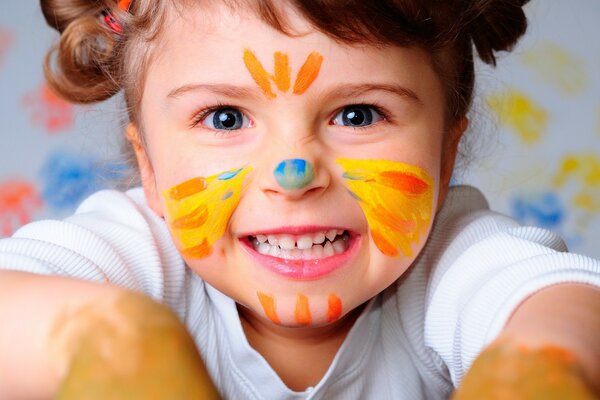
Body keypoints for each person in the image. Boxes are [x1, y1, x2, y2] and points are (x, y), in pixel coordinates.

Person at [0, 0, 599, 398]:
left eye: (358, 114)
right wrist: (117, 336)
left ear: (444, 157)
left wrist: (542, 364)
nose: (293, 174)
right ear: (149, 168)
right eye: (226, 117)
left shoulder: (445, 262)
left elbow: (560, 302)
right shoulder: (139, 258)